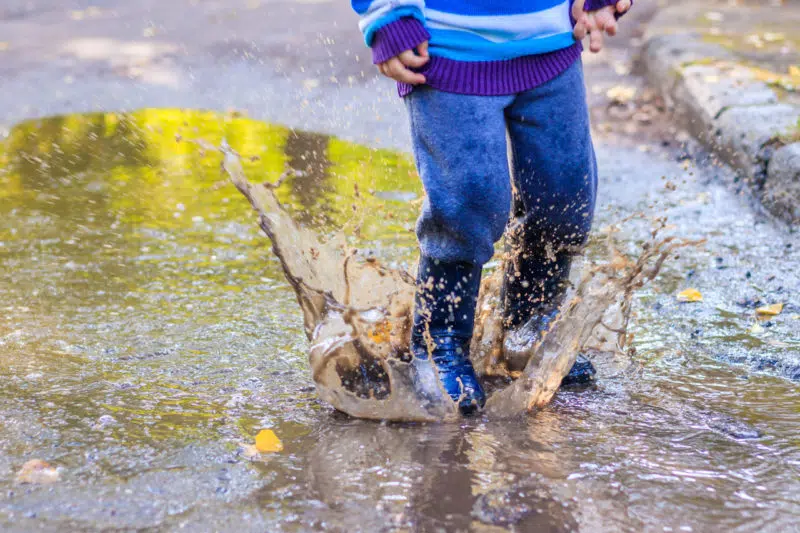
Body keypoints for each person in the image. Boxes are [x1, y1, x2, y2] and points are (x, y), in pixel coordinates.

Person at [350, 0, 632, 413]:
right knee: (469, 200)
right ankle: (439, 339)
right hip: (445, 47)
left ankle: (529, 325)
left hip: (551, 42)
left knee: (565, 199)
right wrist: (387, 12)